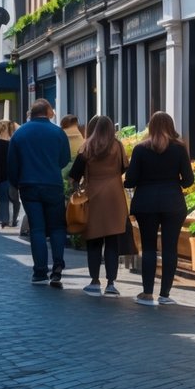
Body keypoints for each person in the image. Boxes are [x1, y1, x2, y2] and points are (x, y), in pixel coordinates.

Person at [124, 112, 194, 306]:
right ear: (171, 126)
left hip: (145, 203)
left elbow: (130, 181)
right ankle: (165, 294)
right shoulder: (179, 148)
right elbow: (189, 180)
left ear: (150, 126)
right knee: (170, 248)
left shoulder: (140, 149)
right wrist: (174, 183)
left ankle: (147, 293)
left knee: (148, 248)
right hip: (173, 202)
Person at [7, 99, 71, 287]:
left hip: (29, 185)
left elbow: (12, 164)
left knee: (37, 229)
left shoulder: (20, 134)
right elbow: (64, 159)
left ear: (32, 113)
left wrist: (16, 183)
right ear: (47, 112)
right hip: (53, 184)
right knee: (57, 227)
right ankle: (57, 267)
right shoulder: (58, 132)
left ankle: (40, 272)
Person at [69, 116, 129, 297]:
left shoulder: (87, 147)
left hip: (93, 196)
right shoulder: (118, 146)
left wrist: (77, 188)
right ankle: (111, 283)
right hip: (114, 197)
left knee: (94, 240)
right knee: (112, 242)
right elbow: (124, 168)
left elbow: (74, 175)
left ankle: (94, 281)